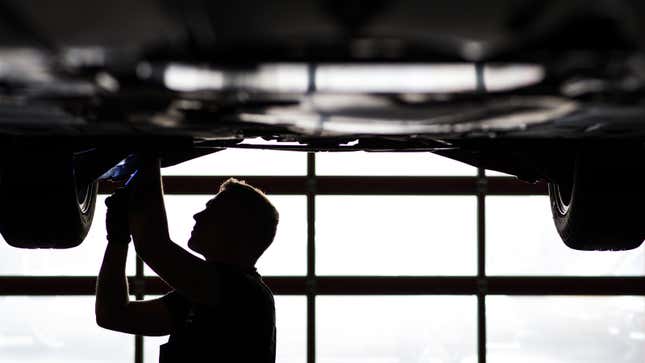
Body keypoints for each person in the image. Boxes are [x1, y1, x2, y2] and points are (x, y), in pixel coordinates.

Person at [95, 157, 279, 362]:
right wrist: (117, 239)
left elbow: (154, 247)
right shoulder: (212, 297)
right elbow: (112, 314)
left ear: (237, 230)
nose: (197, 216)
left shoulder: (243, 293)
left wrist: (149, 155)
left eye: (213, 211)